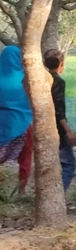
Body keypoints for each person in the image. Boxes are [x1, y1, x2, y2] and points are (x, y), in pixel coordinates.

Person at [43, 49, 76, 191]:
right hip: (56, 128)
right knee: (69, 163)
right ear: (61, 64)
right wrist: (68, 131)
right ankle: (59, 193)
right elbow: (59, 110)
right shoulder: (58, 81)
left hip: (40, 126)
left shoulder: (39, 81)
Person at [0, 45, 32, 181]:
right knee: (26, 155)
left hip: (2, 122)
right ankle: (22, 186)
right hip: (23, 122)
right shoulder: (27, 78)